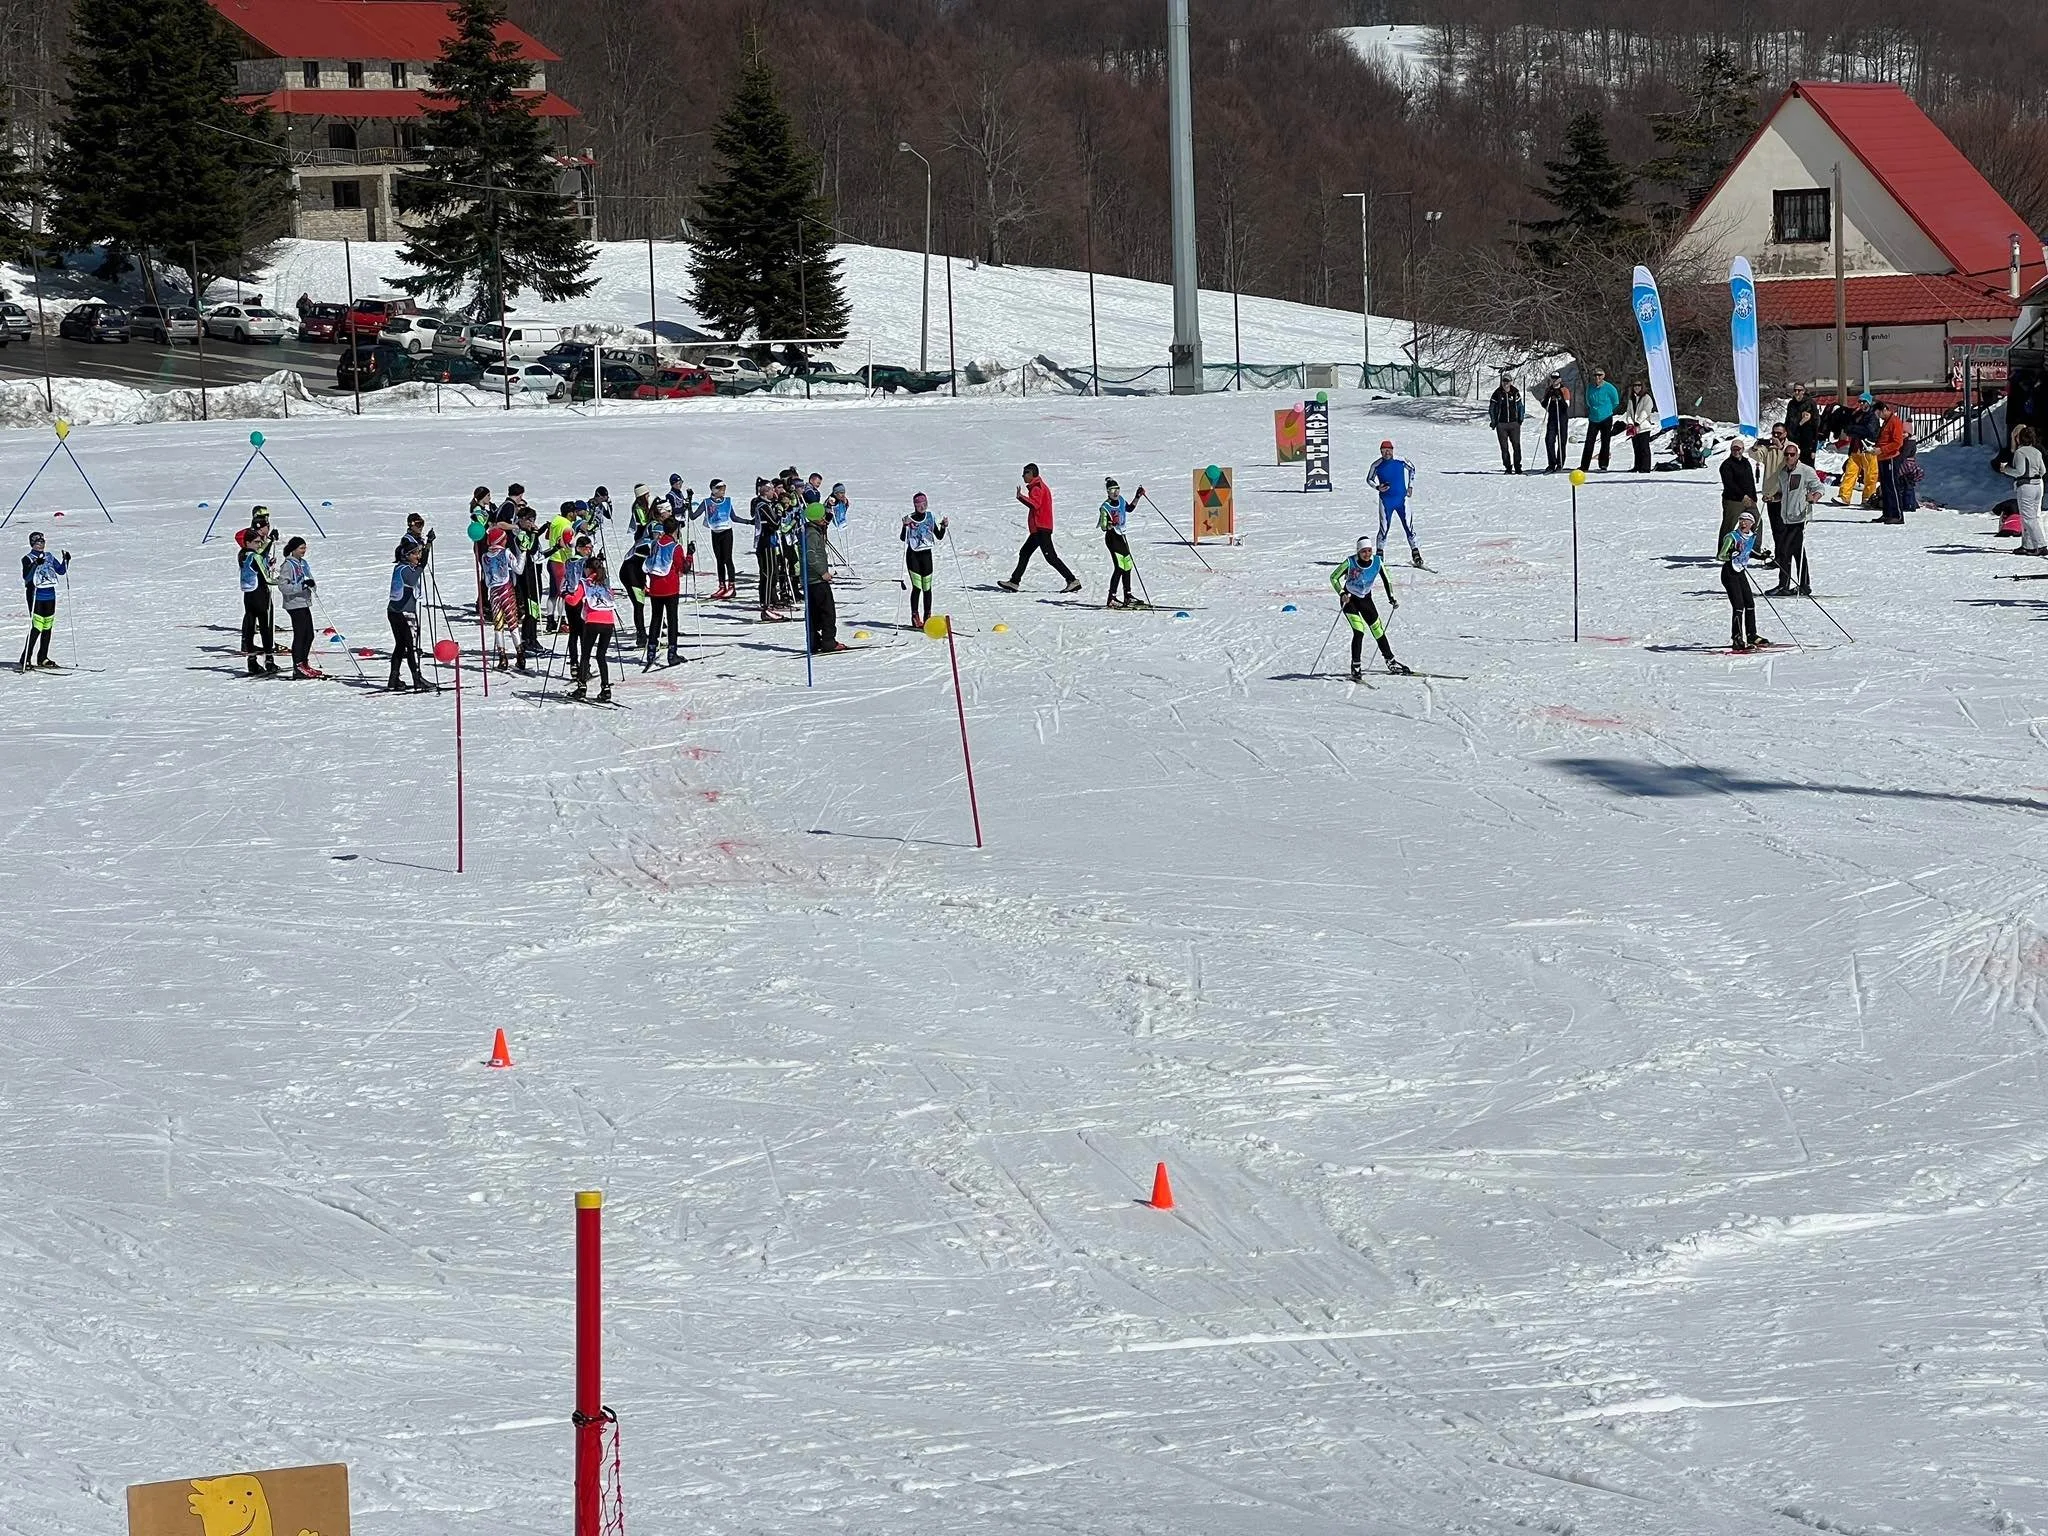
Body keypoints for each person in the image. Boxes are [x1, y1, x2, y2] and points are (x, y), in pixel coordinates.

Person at [1329, 535, 1409, 680]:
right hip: (1350, 600)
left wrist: (1391, 597)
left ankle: (1390, 661)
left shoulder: (1377, 562)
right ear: (1358, 552)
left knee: (1378, 630)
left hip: (1366, 599)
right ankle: (1356, 666)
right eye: (1363, 551)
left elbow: (1387, 580)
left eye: (1369, 550)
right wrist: (1342, 593)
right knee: (1359, 631)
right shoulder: (1350, 562)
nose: (1367, 554)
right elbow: (1333, 577)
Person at [998, 463, 1080, 592]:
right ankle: (1014, 582)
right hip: (1039, 529)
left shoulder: (1037, 487)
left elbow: (1035, 504)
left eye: (1026, 473)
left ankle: (1072, 580)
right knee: (1025, 552)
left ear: (1032, 474)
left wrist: (1021, 497)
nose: (1023, 476)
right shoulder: (1036, 486)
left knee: (1050, 557)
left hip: (1041, 528)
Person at [1768, 442, 1826, 596]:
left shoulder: (1806, 470)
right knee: (1797, 551)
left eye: (1792, 454)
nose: (1789, 457)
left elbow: (1820, 488)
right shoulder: (1782, 473)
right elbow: (1782, 494)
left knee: (1785, 550)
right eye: (1786, 454)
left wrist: (1814, 497)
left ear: (1797, 455)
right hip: (1786, 518)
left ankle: (1784, 585)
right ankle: (1804, 585)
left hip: (1799, 517)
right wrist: (1772, 498)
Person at [1717, 508, 1772, 653]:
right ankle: (1737, 638)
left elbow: (1749, 551)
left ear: (1752, 524)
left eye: (1746, 521)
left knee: (1749, 603)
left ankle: (1751, 635)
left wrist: (1762, 556)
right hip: (1729, 573)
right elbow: (1720, 555)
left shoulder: (1751, 536)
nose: (1743, 523)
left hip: (1740, 572)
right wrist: (1731, 554)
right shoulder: (1732, 537)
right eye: (1741, 520)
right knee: (1738, 606)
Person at [565, 553, 618, 703]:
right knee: (601, 655)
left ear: (588, 569)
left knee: (586, 654)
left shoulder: (585, 583)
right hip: (608, 622)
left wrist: (564, 595)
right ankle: (605, 688)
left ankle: (582, 687)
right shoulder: (605, 582)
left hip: (593, 621)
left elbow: (574, 601)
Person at [17, 531, 68, 673]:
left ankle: (43, 657)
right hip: (35, 596)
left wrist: (66, 561)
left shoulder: (49, 556)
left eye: (42, 542)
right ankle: (25, 658)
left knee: (47, 627)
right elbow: (27, 577)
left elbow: (61, 571)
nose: (41, 545)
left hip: (50, 595)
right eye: (38, 542)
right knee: (37, 627)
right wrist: (35, 564)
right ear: (32, 544)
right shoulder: (27, 559)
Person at [640, 516, 687, 668]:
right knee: (672, 620)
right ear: (676, 530)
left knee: (656, 619)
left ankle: (651, 651)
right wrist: (690, 555)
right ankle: (672, 654)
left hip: (655, 588)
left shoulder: (655, 544)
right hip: (670, 588)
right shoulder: (676, 547)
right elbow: (683, 568)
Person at [1368, 440, 1423, 567]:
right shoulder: (1376, 465)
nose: (1387, 453)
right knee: (1384, 528)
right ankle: (1379, 555)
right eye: (1384, 451)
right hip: (1386, 501)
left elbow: (1412, 469)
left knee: (1408, 527)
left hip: (1402, 500)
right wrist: (1378, 487)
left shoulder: (1400, 460)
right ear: (1380, 451)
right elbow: (1369, 479)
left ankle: (1416, 552)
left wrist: (1410, 486)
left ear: (1393, 450)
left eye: (1389, 450)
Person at [238, 511, 280, 676]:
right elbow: (266, 578)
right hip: (260, 594)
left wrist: (267, 563)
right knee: (265, 627)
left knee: (250, 626)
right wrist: (283, 581)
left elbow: (257, 568)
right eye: (256, 542)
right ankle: (269, 660)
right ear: (248, 542)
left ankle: (252, 661)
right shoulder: (254, 556)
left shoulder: (243, 555)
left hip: (249, 595)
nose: (258, 544)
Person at [386, 541, 431, 691]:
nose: (418, 556)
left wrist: (427, 547)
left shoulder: (400, 567)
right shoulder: (405, 569)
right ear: (407, 555)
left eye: (419, 553)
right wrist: (422, 563)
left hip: (394, 612)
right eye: (415, 553)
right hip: (404, 613)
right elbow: (413, 579)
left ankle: (393, 679)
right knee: (411, 647)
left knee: (400, 645)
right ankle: (417, 679)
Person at [800, 500, 843, 653]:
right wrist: (823, 572)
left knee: (814, 613)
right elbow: (810, 556)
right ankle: (828, 642)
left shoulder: (810, 530)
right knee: (827, 612)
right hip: (816, 580)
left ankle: (814, 642)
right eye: (823, 516)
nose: (826, 519)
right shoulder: (812, 533)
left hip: (810, 580)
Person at [900, 493, 948, 629]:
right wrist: (905, 526)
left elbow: (939, 536)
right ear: (915, 505)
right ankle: (915, 617)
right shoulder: (909, 518)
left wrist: (943, 526)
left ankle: (928, 617)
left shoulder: (930, 516)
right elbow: (903, 538)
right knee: (917, 587)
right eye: (919, 504)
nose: (922, 507)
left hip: (927, 556)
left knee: (927, 588)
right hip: (913, 557)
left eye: (925, 504)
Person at [277, 536, 321, 679]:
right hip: (294, 604)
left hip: (304, 602)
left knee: (309, 634)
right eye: (301, 548)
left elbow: (308, 578)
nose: (304, 550)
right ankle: (298, 666)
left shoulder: (303, 563)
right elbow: (283, 586)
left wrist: (311, 584)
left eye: (305, 548)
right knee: (301, 634)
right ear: (293, 549)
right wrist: (300, 586)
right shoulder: (288, 565)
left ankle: (304, 663)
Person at [2000, 424, 2047, 555]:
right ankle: (2028, 545)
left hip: (2026, 486)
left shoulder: (2020, 452)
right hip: (2038, 485)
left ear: (2019, 438)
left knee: (2028, 518)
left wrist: (2006, 469)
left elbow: (2019, 471)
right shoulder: (2037, 452)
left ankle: (2041, 545)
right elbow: (2043, 470)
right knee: (2033, 516)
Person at [480, 523, 519, 671]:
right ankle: (520, 653)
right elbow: (518, 569)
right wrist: (522, 554)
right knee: (513, 623)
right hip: (506, 589)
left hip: (494, 591)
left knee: (498, 625)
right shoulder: (506, 553)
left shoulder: (484, 556)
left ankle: (502, 657)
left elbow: (485, 576)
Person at [1098, 477, 1140, 607]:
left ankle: (1128, 595)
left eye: (1117, 489)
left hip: (1122, 537)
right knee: (1119, 567)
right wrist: (1110, 524)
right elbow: (1103, 526)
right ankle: (1112, 598)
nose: (1115, 492)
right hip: (1112, 538)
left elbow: (1129, 508)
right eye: (1112, 490)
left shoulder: (1121, 500)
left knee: (1128, 565)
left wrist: (1137, 496)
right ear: (1108, 492)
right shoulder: (1105, 507)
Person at [1753, 425, 1790, 567]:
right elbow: (1756, 456)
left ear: (1785, 433)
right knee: (1775, 529)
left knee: (1783, 528)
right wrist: (1756, 447)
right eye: (1774, 433)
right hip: (1771, 493)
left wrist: (1781, 447)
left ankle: (1784, 557)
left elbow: (1792, 459)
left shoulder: (1790, 447)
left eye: (1779, 433)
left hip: (1785, 493)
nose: (1776, 436)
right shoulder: (1769, 448)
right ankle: (1779, 556)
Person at [1837, 392, 1880, 507]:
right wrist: (1854, 430)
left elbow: (1869, 431)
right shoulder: (1857, 415)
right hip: (1856, 449)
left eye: (1863, 402)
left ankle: (1868, 498)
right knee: (1850, 472)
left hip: (1868, 449)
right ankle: (1844, 496)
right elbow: (1848, 429)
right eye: (1860, 402)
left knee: (1870, 476)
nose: (1861, 404)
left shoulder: (1872, 416)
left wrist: (1854, 429)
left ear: (1868, 403)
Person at [1717, 435, 1759, 550]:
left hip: (1749, 499)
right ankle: (1723, 550)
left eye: (1738, 449)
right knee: (1729, 525)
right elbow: (1729, 484)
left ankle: (1754, 548)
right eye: (1734, 449)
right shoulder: (1727, 465)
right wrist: (1742, 496)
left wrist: (1753, 497)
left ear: (1742, 449)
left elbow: (1750, 481)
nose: (1736, 451)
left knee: (1757, 521)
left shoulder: (1745, 462)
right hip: (1733, 500)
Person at [699, 479, 739, 598]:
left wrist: (749, 522)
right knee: (719, 560)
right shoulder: (707, 502)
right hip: (715, 532)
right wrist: (689, 503)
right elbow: (693, 516)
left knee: (728, 559)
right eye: (720, 489)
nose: (723, 491)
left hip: (726, 532)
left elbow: (734, 517)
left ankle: (732, 586)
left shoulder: (727, 501)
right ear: (714, 489)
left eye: (724, 489)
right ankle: (722, 586)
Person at [1579, 367, 1621, 472]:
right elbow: (1588, 401)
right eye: (1595, 375)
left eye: (1599, 375)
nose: (1597, 377)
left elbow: (1615, 401)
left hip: (1606, 418)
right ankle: (1584, 466)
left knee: (1605, 441)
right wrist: (1593, 410)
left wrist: (1607, 410)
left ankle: (1603, 464)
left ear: (1603, 376)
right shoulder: (1590, 387)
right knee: (1589, 442)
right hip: (1593, 418)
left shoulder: (1609, 387)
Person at [1873, 400, 1907, 523]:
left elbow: (1898, 442)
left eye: (1879, 413)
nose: (1878, 416)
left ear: (1884, 410)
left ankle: (1897, 515)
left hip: (1891, 458)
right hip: (1882, 458)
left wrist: (1882, 449)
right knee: (1885, 487)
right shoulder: (1886, 422)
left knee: (1892, 486)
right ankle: (1887, 513)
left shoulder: (1895, 422)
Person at [1488, 373, 1524, 474]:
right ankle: (1508, 467)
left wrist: (1520, 419)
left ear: (1511, 382)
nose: (1505, 383)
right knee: (1504, 447)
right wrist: (1494, 421)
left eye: (1507, 381)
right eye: (1504, 381)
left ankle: (1518, 467)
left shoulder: (1515, 392)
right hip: (1501, 424)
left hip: (1514, 424)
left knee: (1516, 446)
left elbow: (1520, 406)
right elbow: (1491, 408)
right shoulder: (1497, 393)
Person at [1622, 380, 1658, 473]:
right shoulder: (1631, 399)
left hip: (1644, 427)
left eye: (1639, 385)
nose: (1637, 387)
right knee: (1636, 448)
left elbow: (1646, 411)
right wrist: (1630, 423)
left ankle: (1645, 467)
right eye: (1635, 385)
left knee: (1644, 448)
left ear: (1642, 387)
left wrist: (1638, 422)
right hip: (1634, 428)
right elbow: (1629, 412)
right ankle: (1637, 466)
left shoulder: (1647, 398)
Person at [1541, 372, 1572, 472]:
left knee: (1562, 441)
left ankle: (1560, 463)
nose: (1554, 380)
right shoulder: (1549, 389)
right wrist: (1548, 397)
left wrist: (1559, 397)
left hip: (1562, 418)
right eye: (1553, 378)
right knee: (1549, 441)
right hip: (1552, 418)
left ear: (1560, 379)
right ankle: (1551, 463)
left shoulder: (1564, 390)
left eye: (1556, 378)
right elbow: (1544, 404)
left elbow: (1566, 406)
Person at [1782, 383, 1821, 461]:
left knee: (1806, 465)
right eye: (1795, 390)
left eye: (1799, 390)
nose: (1797, 392)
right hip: (1793, 438)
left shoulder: (1810, 403)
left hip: (1806, 440)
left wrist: (1813, 449)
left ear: (1803, 391)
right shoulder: (1791, 404)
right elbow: (1788, 421)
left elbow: (1816, 425)